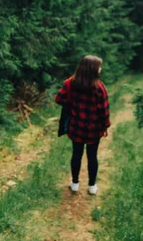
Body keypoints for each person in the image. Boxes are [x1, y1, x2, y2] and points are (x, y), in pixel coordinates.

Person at [55, 55, 110, 195]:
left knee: (76, 154)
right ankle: (92, 186)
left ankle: (74, 184)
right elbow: (104, 111)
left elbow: (58, 99)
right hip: (94, 129)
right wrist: (105, 126)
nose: (100, 69)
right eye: (99, 66)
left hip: (76, 127)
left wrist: (72, 105)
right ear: (93, 69)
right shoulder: (99, 88)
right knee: (92, 156)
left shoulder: (70, 84)